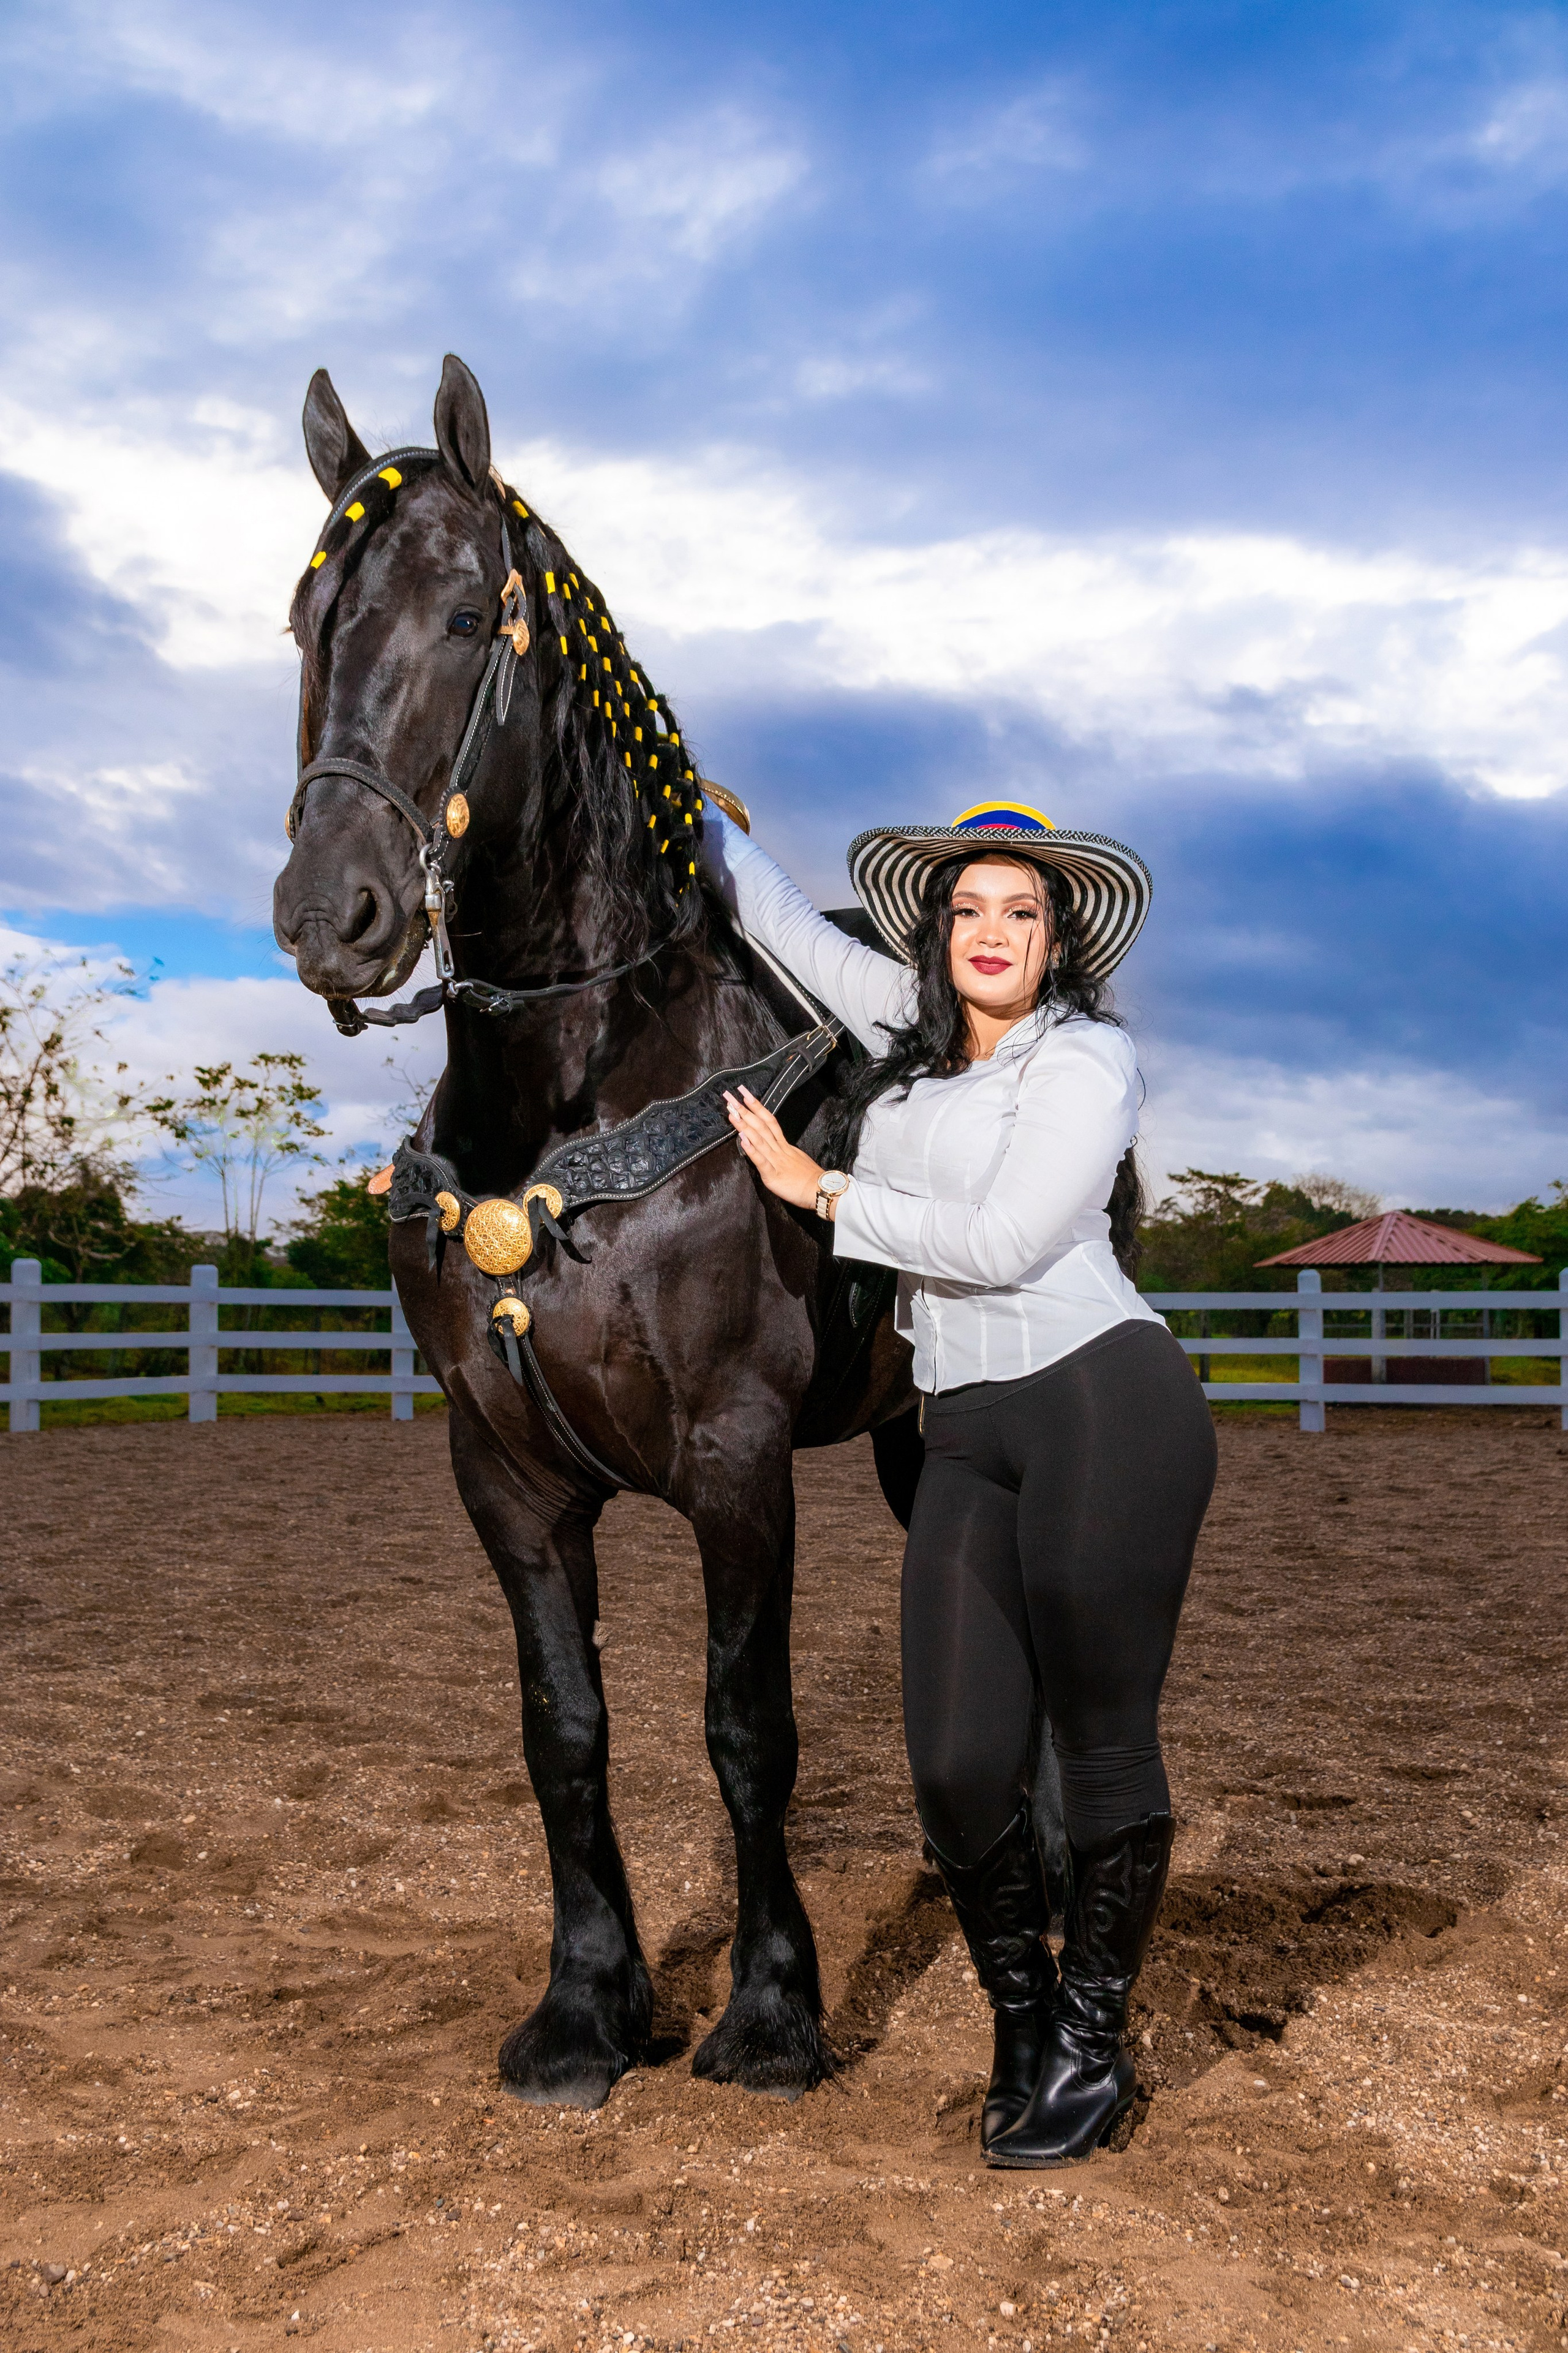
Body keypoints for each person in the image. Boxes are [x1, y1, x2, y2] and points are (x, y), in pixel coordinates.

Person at [706, 796, 1217, 2167]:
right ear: (938, 934)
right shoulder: (910, 1040)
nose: (992, 932)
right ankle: (1021, 2019)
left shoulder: (1085, 1061)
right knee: (953, 1763)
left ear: (1057, 941)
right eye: (967, 910)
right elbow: (770, 913)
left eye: (1021, 912)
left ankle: (1088, 2046)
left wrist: (818, 1190)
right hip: (963, 1427)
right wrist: (677, 786)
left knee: (1099, 1740)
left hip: (1101, 1401)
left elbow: (1001, 1236)